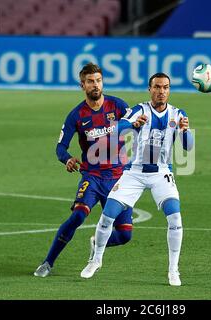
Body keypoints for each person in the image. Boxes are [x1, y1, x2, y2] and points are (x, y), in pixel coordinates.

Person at [80, 72, 194, 286]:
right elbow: (117, 128)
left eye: (165, 87)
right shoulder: (140, 110)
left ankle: (173, 270)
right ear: (150, 89)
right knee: (107, 215)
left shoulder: (178, 114)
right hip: (134, 173)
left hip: (161, 173)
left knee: (175, 217)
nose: (161, 91)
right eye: (157, 87)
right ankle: (95, 260)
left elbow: (188, 146)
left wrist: (185, 131)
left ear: (169, 90)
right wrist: (134, 125)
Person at [34, 63, 147, 277]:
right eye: (90, 82)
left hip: (119, 178)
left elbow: (138, 124)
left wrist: (139, 124)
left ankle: (97, 242)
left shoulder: (118, 106)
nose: (95, 85)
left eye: (98, 80)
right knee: (78, 215)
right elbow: (60, 147)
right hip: (93, 177)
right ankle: (48, 262)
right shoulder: (76, 115)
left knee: (124, 236)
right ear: (82, 85)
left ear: (102, 82)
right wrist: (67, 159)